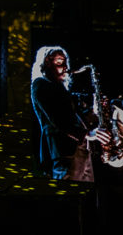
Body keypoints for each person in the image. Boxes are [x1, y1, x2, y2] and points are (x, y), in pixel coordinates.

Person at [30, 46, 110, 181]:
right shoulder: (41, 84)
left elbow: (74, 118)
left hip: (81, 150)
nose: (66, 67)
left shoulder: (61, 89)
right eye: (60, 62)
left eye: (65, 62)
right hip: (64, 152)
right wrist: (88, 134)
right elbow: (57, 121)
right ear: (46, 63)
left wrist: (94, 112)